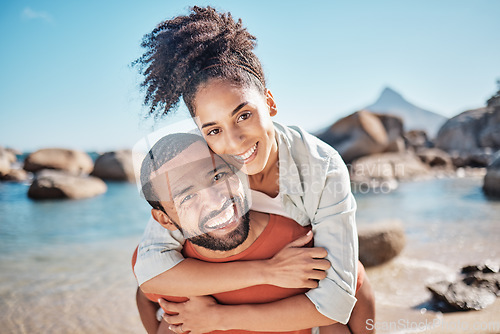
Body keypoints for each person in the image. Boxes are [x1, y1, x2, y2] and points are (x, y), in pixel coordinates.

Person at [132, 6, 375, 333]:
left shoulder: (320, 166)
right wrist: (266, 271)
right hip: (242, 273)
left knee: (358, 279)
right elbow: (150, 270)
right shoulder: (196, 161)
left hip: (296, 278)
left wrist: (218, 319)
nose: (233, 142)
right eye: (213, 129)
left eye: (243, 115)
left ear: (269, 103)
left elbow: (336, 300)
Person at [134, 132, 368, 334]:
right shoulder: (170, 269)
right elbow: (146, 296)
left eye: (217, 177)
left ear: (238, 172)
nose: (215, 202)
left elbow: (355, 282)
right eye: (187, 197)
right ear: (165, 220)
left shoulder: (299, 244)